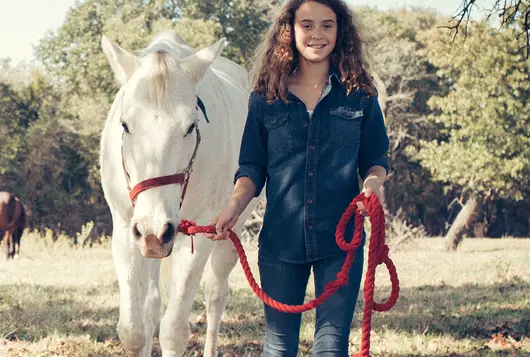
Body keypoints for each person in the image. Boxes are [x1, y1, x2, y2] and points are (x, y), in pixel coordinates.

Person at [206, 0, 390, 355]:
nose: (317, 34)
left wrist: (371, 186)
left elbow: (375, 158)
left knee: (332, 345)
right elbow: (252, 170)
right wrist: (232, 207)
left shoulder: (360, 96)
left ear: (340, 31)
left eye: (327, 25)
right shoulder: (265, 99)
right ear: (291, 31)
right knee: (277, 346)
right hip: (280, 244)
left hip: (342, 244)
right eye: (308, 25)